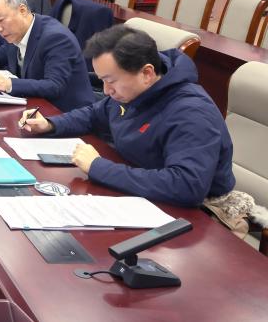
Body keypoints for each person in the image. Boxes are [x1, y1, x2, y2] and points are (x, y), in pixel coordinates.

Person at [20, 25, 235, 208]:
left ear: (147, 73)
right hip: (141, 185)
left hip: (199, 211)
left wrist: (99, 167)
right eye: (103, 81)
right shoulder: (134, 91)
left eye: (111, 81)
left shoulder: (192, 113)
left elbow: (187, 185)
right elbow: (95, 114)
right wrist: (50, 124)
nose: (106, 91)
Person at [0, 0, 93, 112]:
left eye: (0, 20)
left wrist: (9, 84)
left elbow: (54, 86)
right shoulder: (17, 31)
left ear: (22, 10)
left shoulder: (56, 38)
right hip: (33, 106)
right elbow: (1, 54)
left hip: (65, 113)